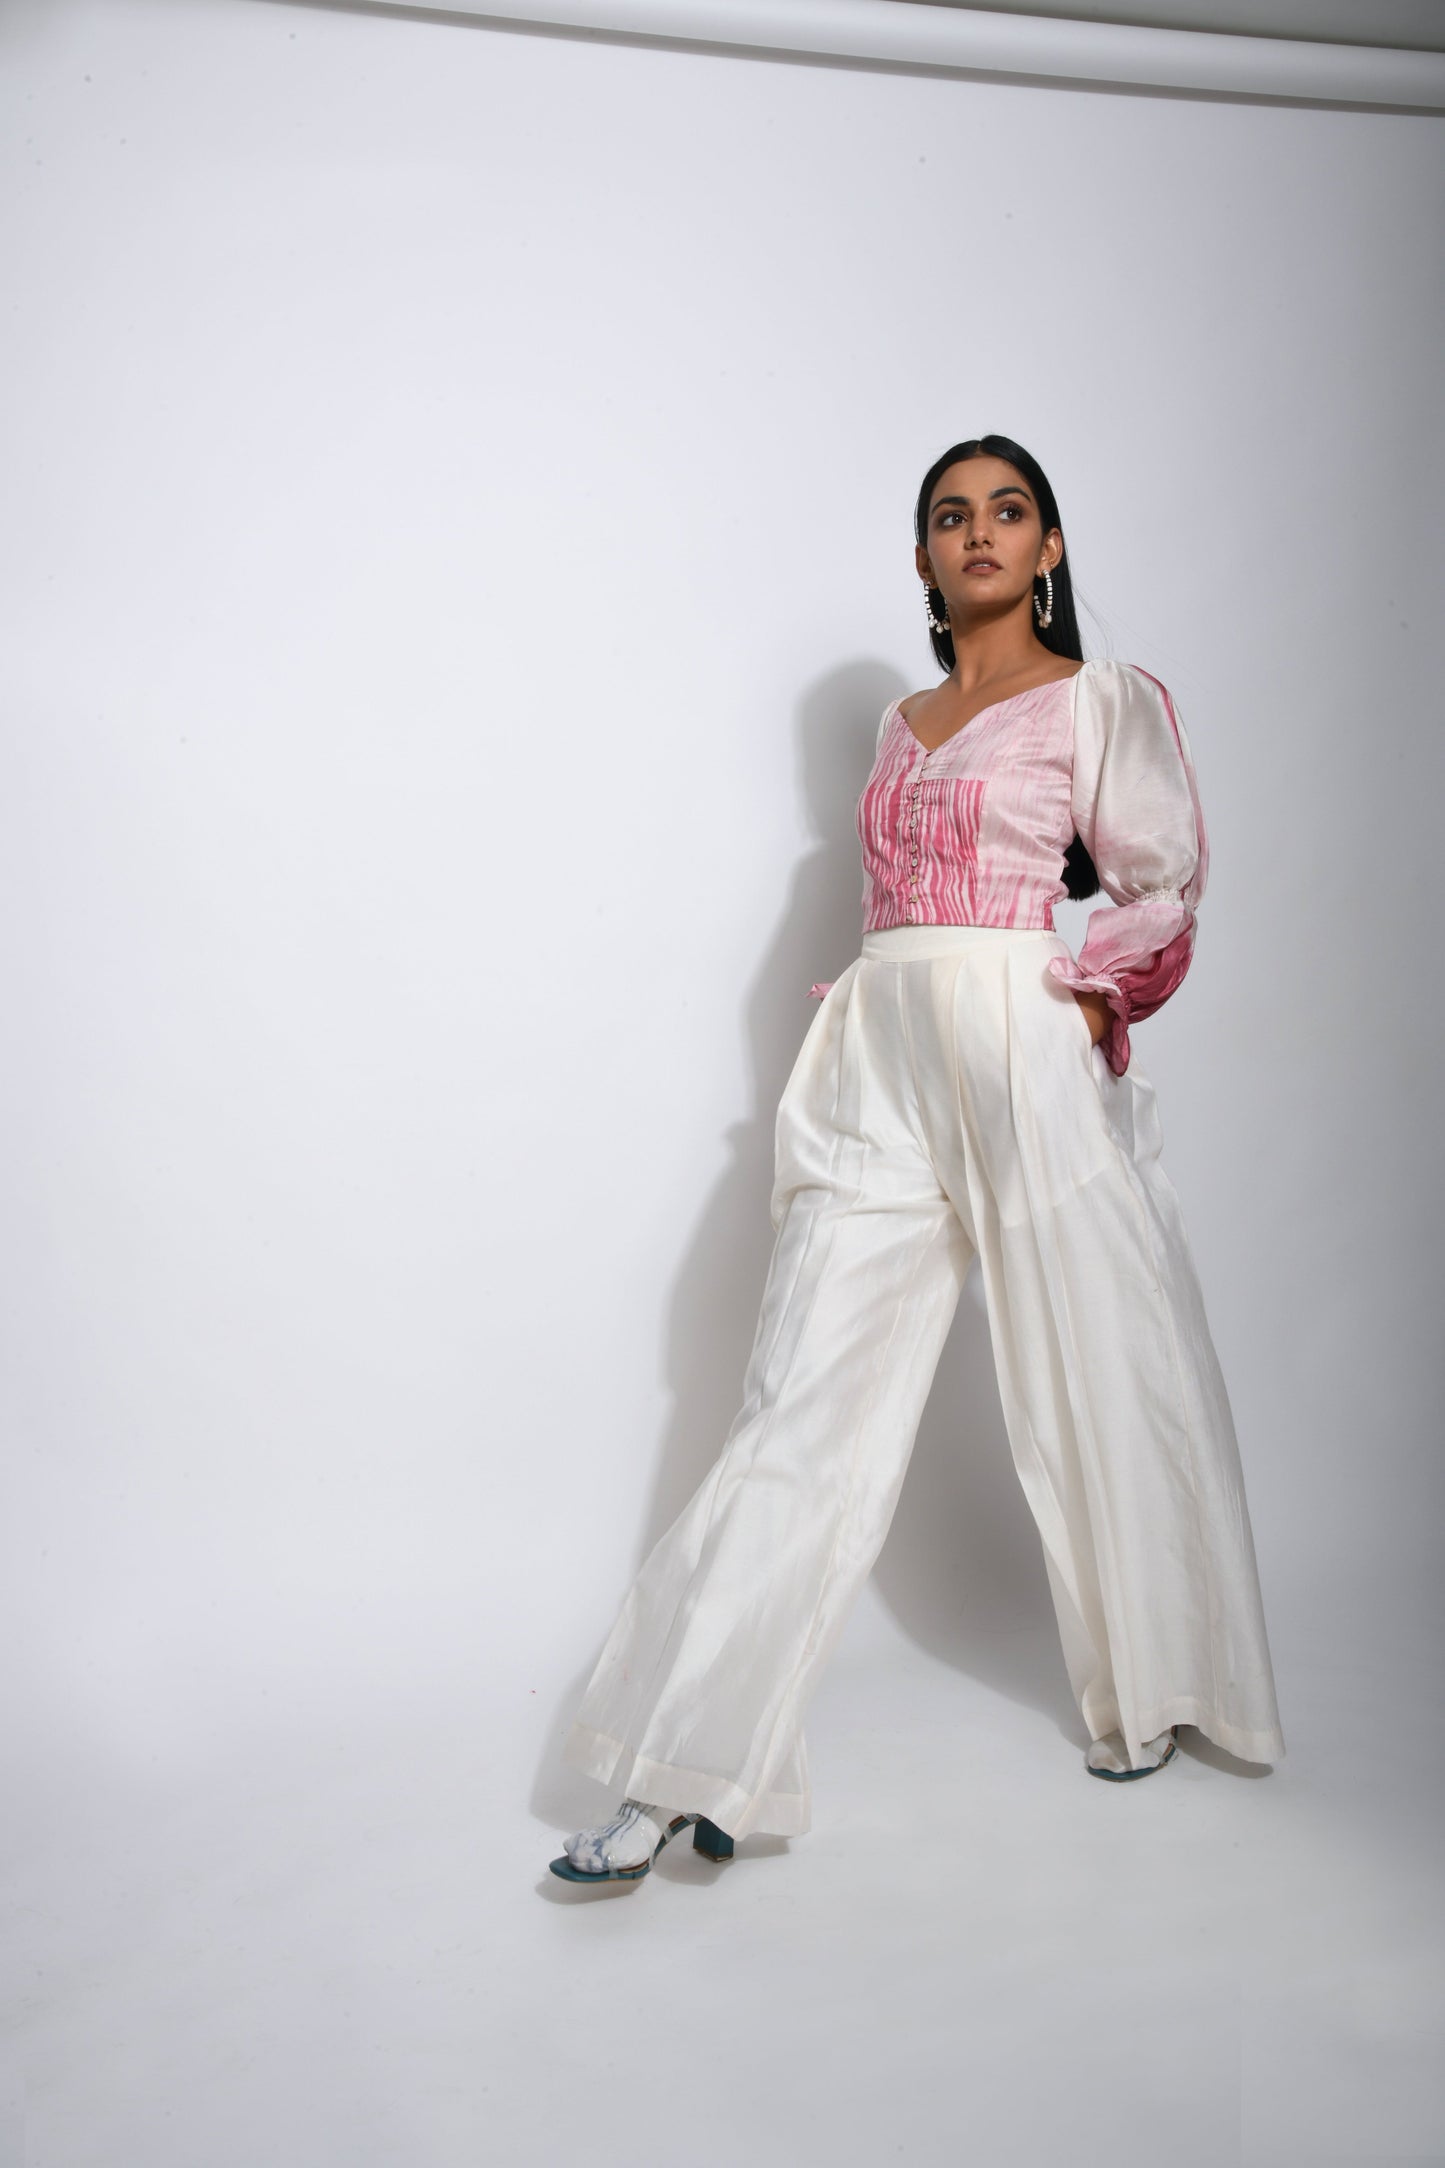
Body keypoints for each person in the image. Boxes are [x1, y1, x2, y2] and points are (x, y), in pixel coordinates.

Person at [547, 433, 1285, 1887]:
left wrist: (1091, 1002)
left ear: (1049, 547)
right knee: (796, 1401)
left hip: (1018, 1035)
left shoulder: (1099, 700)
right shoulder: (900, 724)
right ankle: (691, 1761)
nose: (980, 532)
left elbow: (1160, 874)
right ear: (924, 556)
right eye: (952, 516)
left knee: (1100, 1357)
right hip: (878, 1043)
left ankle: (1159, 1689)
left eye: (1009, 511)